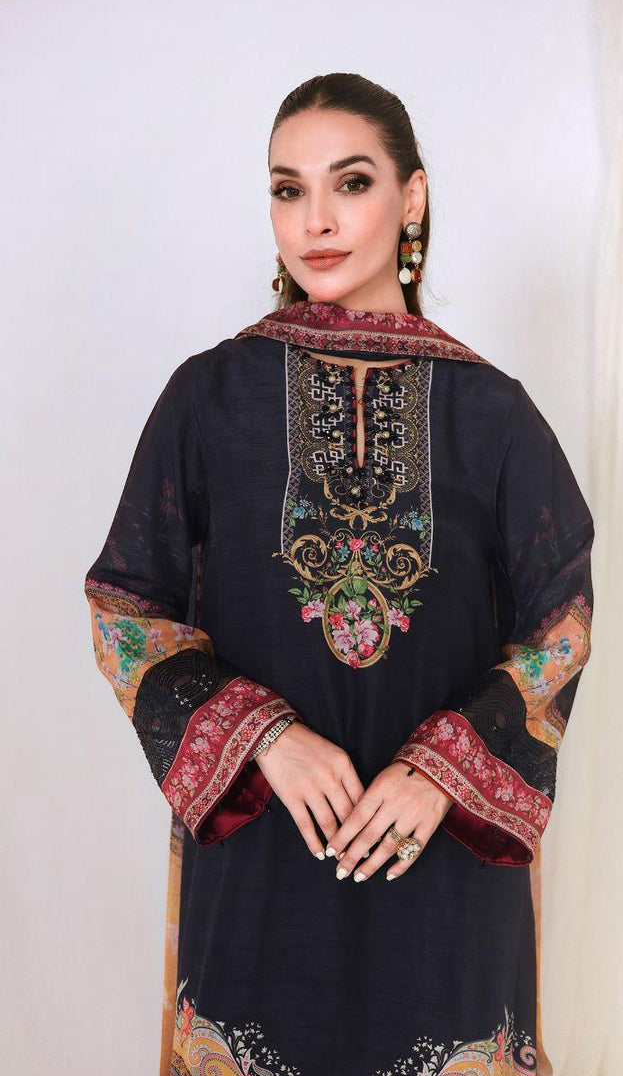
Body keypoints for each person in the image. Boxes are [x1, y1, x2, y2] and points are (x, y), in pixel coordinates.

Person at [84, 73, 594, 1076]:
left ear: (412, 197)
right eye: (288, 189)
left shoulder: (494, 415)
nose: (314, 220)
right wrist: (262, 737)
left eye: (350, 183)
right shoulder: (207, 399)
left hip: (438, 858)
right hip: (262, 851)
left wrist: (442, 768)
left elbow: (560, 630)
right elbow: (126, 608)